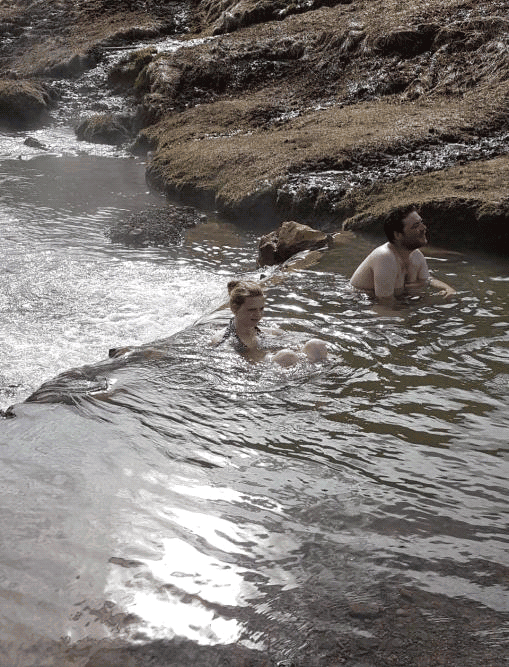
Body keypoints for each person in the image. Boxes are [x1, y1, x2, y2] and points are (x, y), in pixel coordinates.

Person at [349, 205, 455, 305]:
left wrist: (447, 288)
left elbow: (427, 280)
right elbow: (384, 303)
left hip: (393, 301)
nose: (424, 228)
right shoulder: (385, 257)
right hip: (360, 303)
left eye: (421, 223)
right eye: (415, 226)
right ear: (397, 235)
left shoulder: (416, 255)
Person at [213, 280, 328, 367]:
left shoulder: (270, 333)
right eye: (252, 310)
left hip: (285, 368)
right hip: (262, 376)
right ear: (234, 308)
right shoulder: (223, 341)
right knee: (286, 356)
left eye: (261, 309)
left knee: (316, 345)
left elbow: (297, 347)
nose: (258, 315)